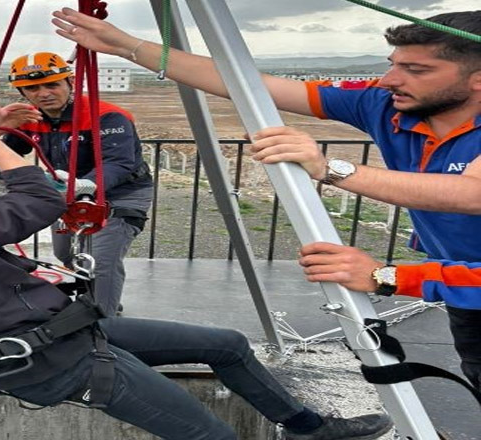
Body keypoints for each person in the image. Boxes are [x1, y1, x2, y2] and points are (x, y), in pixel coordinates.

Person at [0, 95, 392, 440]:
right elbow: (36, 202)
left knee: (225, 345)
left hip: (67, 331)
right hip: (50, 360)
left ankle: (308, 428)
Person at [51, 8, 481, 390]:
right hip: (463, 285)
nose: (390, 79)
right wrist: (127, 46)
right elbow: (247, 84)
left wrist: (332, 173)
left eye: (416, 70)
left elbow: (471, 194)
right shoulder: (384, 103)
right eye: (392, 65)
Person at [0, 51, 153, 316]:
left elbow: (119, 162)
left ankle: (104, 322)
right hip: (69, 192)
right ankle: (102, 300)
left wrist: (87, 184)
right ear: (22, 92)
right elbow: (11, 153)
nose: (43, 93)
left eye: (52, 84)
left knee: (101, 261)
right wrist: (2, 176)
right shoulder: (31, 119)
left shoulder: (107, 116)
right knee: (67, 254)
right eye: (32, 88)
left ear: (69, 83)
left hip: (120, 194)